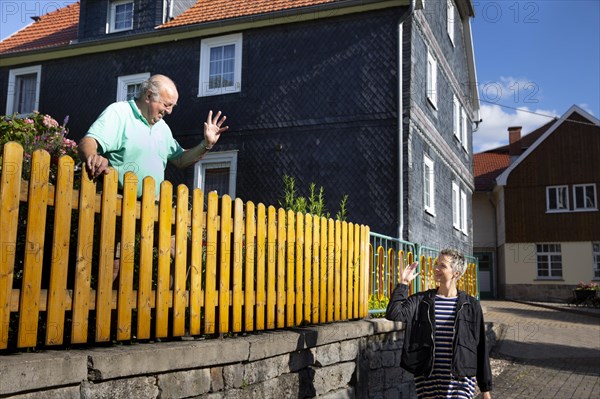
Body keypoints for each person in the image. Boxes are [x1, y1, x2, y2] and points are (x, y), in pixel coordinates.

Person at [78, 74, 228, 280]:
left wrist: (207, 145)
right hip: (119, 204)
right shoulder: (119, 113)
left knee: (182, 253)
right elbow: (89, 141)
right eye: (167, 105)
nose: (170, 111)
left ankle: (167, 307)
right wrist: (93, 156)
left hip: (155, 206)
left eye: (173, 106)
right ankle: (105, 311)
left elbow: (181, 159)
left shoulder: (162, 129)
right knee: (113, 269)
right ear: (149, 95)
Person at [385, 249, 492, 399]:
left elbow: (480, 346)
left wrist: (485, 389)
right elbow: (394, 313)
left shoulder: (471, 305)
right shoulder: (422, 300)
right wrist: (403, 283)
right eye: (436, 264)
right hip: (428, 378)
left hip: (460, 378)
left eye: (442, 265)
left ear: (456, 273)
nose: (435, 268)